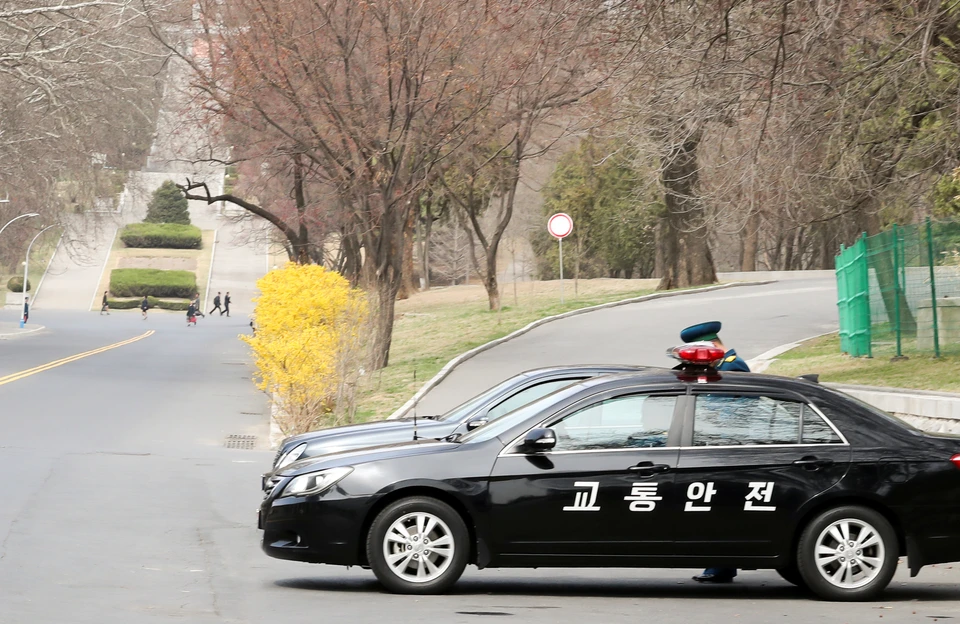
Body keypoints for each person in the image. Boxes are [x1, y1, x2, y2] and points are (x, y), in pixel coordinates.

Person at [681, 320, 750, 585]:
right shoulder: (715, 367)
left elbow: (741, 411)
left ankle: (722, 565)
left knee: (723, 509)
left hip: (729, 451)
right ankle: (719, 564)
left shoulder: (733, 366)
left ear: (710, 346)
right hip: (712, 449)